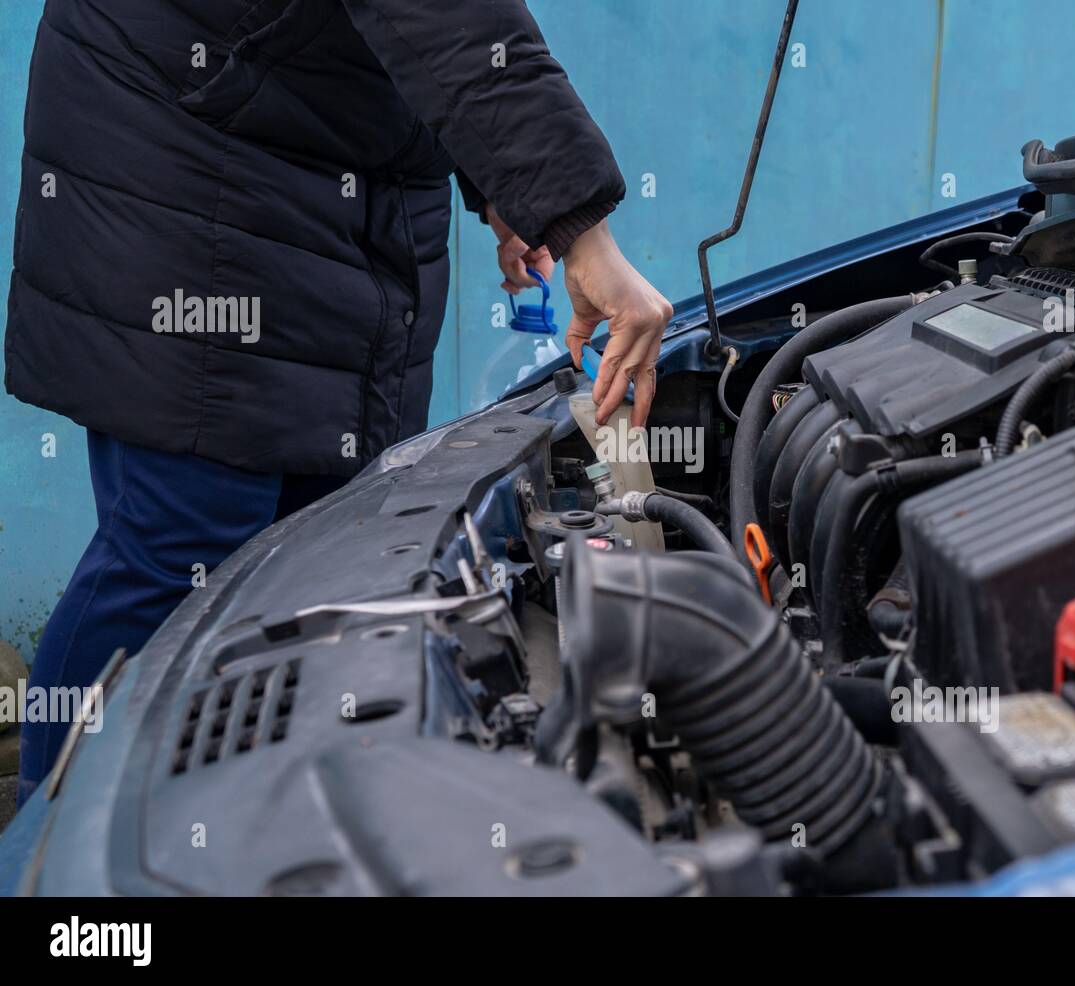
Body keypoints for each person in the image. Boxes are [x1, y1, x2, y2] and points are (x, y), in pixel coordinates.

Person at [5, 0, 671, 804]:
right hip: (186, 149)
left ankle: (236, 828)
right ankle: (54, 855)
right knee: (181, 540)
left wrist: (503, 187)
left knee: (322, 546)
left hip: (322, 153)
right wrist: (578, 232)